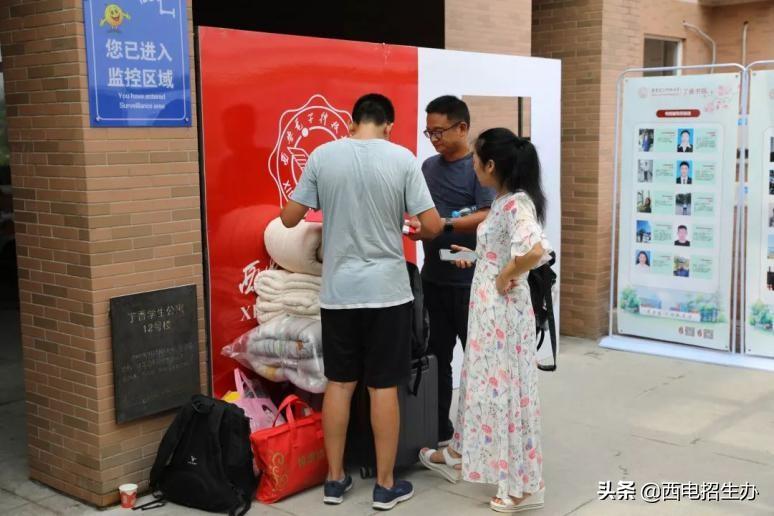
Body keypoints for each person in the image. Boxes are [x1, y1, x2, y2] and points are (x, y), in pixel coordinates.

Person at [280, 93, 443, 511]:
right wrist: (414, 229)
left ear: (352, 123)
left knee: (340, 384)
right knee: (383, 386)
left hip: (339, 293)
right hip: (388, 293)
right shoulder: (402, 158)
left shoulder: (323, 155)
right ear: (389, 125)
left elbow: (289, 218)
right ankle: (385, 486)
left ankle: (334, 480)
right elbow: (432, 225)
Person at [418, 128, 552, 513]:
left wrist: (505, 273)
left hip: (503, 313)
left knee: (507, 392)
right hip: (490, 313)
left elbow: (535, 250)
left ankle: (524, 485)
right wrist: (477, 257)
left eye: (477, 159)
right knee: (482, 383)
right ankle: (462, 451)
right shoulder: (503, 201)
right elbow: (504, 249)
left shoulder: (515, 204)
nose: (473, 164)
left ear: (491, 165)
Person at [411, 96, 495, 446]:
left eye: (439, 131)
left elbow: (489, 213)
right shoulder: (428, 167)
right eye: (429, 132)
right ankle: (439, 430)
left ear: (462, 128)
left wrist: (444, 224)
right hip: (433, 279)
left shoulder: (479, 168)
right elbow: (422, 211)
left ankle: (482, 437)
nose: (434, 139)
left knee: (478, 363)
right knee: (437, 358)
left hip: (470, 282)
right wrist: (417, 226)